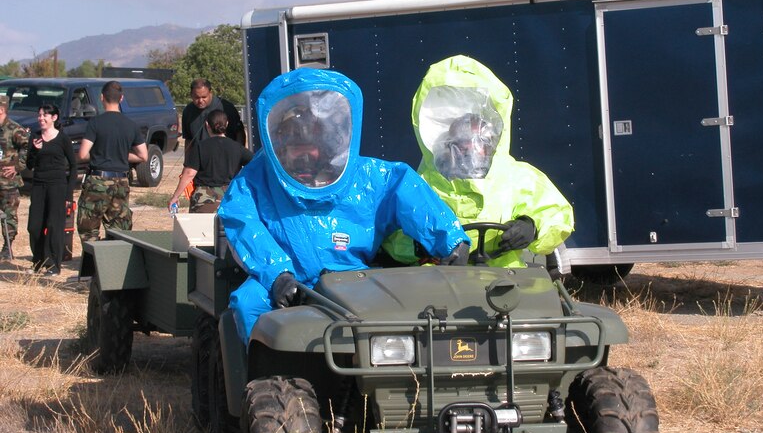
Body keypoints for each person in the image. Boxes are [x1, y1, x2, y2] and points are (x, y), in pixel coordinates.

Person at [218, 68, 470, 343]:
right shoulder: (255, 180)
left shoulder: (367, 177)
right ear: (278, 143)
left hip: (355, 278)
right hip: (287, 280)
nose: (304, 156)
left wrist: (451, 240)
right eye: (295, 147)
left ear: (329, 142)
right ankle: (260, 377)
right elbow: (241, 221)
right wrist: (277, 273)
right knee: (247, 304)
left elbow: (408, 191)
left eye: (310, 146)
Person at [384, 55, 574, 268]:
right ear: (447, 143)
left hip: (505, 286)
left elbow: (556, 214)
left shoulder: (516, 178)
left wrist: (531, 226)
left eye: (478, 141)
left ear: (491, 141)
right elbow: (391, 239)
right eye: (462, 143)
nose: (471, 149)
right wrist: (424, 244)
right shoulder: (420, 185)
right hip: (435, 284)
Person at [77, 81, 148, 242]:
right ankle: (114, 263)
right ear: (121, 99)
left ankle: (93, 263)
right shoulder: (131, 125)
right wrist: (122, 155)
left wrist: (98, 154)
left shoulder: (95, 123)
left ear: (102, 97)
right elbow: (143, 156)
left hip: (98, 181)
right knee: (119, 229)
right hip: (121, 182)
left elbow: (82, 154)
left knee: (88, 228)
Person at [26, 104, 78, 275]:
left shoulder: (63, 138)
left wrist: (69, 193)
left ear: (54, 118)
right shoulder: (35, 137)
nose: (41, 118)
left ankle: (53, 264)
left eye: (45, 115)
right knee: (34, 226)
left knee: (54, 226)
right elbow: (29, 164)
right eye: (39, 115)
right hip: (39, 185)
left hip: (58, 186)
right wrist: (35, 149)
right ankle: (38, 261)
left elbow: (73, 166)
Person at [169, 109, 253, 213]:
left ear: (207, 125)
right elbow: (256, 165)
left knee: (202, 229)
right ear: (226, 124)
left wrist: (175, 196)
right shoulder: (237, 148)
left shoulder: (200, 147)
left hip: (204, 199)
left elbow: (189, 173)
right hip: (230, 198)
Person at [0, 96, 29, 259]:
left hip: (7, 182)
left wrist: (17, 166)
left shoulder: (14, 129)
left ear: (1, 109)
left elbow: (26, 148)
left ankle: (7, 247)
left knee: (9, 215)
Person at [181, 79, 245, 148]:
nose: (200, 101)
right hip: (200, 156)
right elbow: (188, 140)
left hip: (224, 155)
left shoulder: (226, 107)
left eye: (204, 97)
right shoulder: (188, 111)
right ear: (191, 95)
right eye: (197, 97)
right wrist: (188, 158)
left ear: (210, 93)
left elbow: (239, 132)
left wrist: (238, 154)